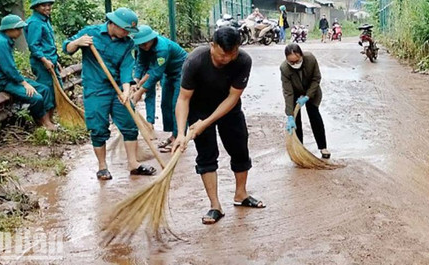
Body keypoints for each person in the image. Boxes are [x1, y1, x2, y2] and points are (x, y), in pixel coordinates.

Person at [173, 27, 264, 225]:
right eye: (223, 54)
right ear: (212, 46)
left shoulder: (243, 61)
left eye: (232, 54)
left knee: (240, 149)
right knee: (206, 155)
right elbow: (183, 98)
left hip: (228, 108)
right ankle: (215, 206)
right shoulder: (195, 61)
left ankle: (241, 194)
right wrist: (180, 133)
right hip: (199, 109)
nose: (227, 59)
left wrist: (206, 123)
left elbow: (233, 97)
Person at [63, 7, 156, 181]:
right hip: (95, 89)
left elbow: (127, 66)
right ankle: (102, 167)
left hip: (117, 88)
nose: (127, 33)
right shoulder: (91, 33)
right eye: (125, 29)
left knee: (129, 123)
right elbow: (67, 48)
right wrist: (77, 42)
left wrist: (126, 91)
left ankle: (133, 164)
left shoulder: (127, 43)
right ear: (113, 24)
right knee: (97, 127)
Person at [0, 15, 57, 131]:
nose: (20, 32)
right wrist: (24, 83)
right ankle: (42, 123)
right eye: (18, 29)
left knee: (45, 90)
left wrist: (22, 81)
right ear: (9, 29)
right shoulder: (0, 42)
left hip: (9, 78)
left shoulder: (5, 40)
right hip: (1, 81)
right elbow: (8, 68)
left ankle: (47, 120)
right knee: (36, 98)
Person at [130, 26, 187, 152]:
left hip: (182, 72)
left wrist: (140, 92)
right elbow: (140, 63)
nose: (143, 46)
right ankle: (173, 135)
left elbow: (155, 73)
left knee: (177, 105)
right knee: (165, 104)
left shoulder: (162, 49)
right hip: (168, 73)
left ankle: (178, 137)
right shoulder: (142, 48)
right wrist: (136, 81)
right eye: (140, 44)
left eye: (145, 43)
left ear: (152, 39)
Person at [280, 43, 330, 158]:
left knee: (314, 115)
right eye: (291, 62)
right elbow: (288, 92)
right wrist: (290, 115)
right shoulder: (284, 68)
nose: (295, 64)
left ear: (301, 55)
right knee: (296, 120)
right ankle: (300, 149)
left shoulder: (310, 59)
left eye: (297, 61)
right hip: (295, 92)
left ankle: (323, 147)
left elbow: (316, 78)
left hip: (312, 90)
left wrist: (307, 96)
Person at [24, 0, 61, 121]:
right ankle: (44, 121)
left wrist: (55, 60)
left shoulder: (45, 20)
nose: (47, 7)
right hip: (42, 63)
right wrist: (44, 60)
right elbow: (34, 45)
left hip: (51, 61)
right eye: (43, 5)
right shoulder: (34, 23)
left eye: (49, 5)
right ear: (36, 7)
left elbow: (48, 44)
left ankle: (51, 119)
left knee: (56, 89)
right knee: (46, 90)